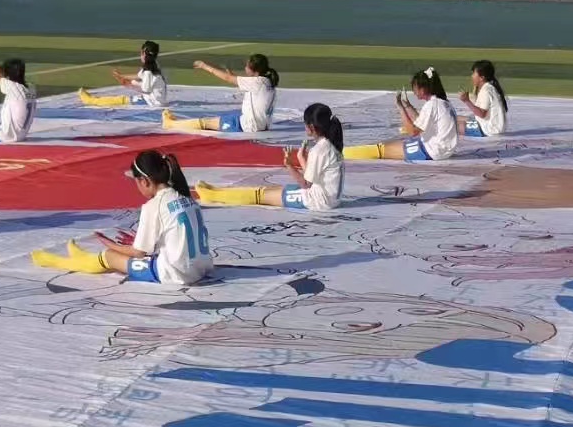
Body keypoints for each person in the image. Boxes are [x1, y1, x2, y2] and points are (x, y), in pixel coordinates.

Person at [31, 149, 213, 285]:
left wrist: (112, 245)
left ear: (144, 181)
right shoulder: (187, 198)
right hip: (200, 267)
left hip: (176, 273)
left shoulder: (154, 205)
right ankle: (83, 257)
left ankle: (58, 261)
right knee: (127, 256)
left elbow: (139, 252)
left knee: (109, 257)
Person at [196, 102, 345, 210]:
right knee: (272, 190)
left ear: (311, 127)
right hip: (327, 199)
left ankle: (214, 196)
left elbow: (306, 184)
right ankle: (217, 192)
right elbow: (314, 178)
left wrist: (289, 165)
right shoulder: (330, 145)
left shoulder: (320, 150)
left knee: (261, 195)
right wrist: (302, 159)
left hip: (318, 202)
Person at [344, 68, 459, 162]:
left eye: (415, 88)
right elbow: (420, 121)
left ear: (423, 89)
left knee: (382, 149)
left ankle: (343, 153)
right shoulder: (443, 103)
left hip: (433, 151)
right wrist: (407, 105)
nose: (413, 91)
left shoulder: (432, 105)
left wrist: (400, 108)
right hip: (443, 150)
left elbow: (413, 132)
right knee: (394, 145)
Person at [161, 54, 278, 133]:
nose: (245, 68)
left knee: (205, 123)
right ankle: (174, 123)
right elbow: (239, 81)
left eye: (247, 66)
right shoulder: (266, 81)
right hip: (258, 124)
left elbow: (228, 78)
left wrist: (204, 66)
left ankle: (170, 124)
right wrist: (231, 75)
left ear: (254, 70)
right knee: (216, 120)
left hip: (248, 126)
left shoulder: (257, 82)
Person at [80, 40, 168, 108]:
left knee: (120, 100)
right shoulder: (153, 67)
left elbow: (145, 89)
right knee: (122, 99)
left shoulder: (148, 71)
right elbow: (139, 76)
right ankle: (93, 100)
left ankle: (91, 100)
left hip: (151, 102)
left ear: (144, 54)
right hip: (154, 100)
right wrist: (122, 76)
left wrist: (130, 83)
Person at [458, 59, 507, 137]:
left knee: (453, 125)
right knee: (455, 118)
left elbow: (482, 114)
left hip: (488, 130)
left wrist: (467, 101)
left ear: (481, 78)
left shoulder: (486, 90)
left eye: (474, 73)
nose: (472, 76)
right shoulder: (489, 87)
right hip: (492, 127)